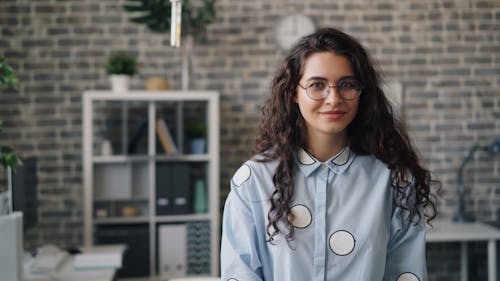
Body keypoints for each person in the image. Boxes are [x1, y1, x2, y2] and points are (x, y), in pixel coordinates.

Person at [220, 27, 439, 281]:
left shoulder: (393, 181)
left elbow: (406, 273)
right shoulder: (253, 181)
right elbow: (240, 273)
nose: (333, 99)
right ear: (293, 92)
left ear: (362, 92)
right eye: (317, 85)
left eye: (347, 85)